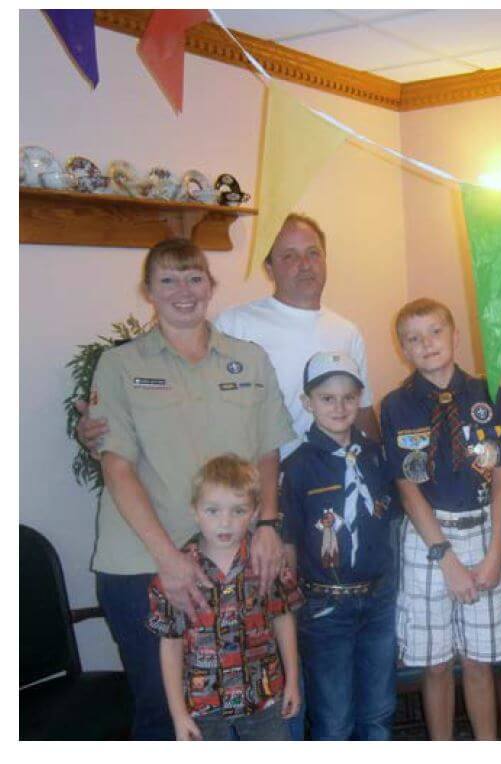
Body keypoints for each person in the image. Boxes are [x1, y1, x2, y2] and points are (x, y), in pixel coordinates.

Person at [88, 239, 296, 739]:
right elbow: (117, 467)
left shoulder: (248, 359)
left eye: (194, 278)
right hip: (143, 564)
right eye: (168, 280)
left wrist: (268, 524)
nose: (184, 291)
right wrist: (169, 558)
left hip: (233, 558)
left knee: (247, 704)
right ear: (148, 291)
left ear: (211, 285)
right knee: (166, 714)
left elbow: (268, 450)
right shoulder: (119, 365)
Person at [77, 213, 378, 453]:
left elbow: (363, 414)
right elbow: (184, 402)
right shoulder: (235, 324)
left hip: (327, 487)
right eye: (289, 256)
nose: (304, 265)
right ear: (269, 268)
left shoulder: (347, 331)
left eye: (313, 253)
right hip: (252, 488)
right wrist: (96, 431)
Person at [380, 298, 501, 740]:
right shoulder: (396, 405)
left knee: (481, 659)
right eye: (413, 339)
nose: (426, 344)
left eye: (435, 332)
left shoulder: (490, 392)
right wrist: (446, 559)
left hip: (483, 530)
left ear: (455, 335)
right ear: (402, 349)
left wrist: (495, 555)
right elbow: (407, 487)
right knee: (436, 662)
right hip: (428, 539)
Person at [280, 351, 398, 739]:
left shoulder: (377, 456)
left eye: (348, 397)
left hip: (378, 602)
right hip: (326, 608)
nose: (339, 406)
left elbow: (389, 516)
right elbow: (291, 539)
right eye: (327, 398)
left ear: (361, 399)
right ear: (307, 403)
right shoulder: (297, 468)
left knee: (379, 711)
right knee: (333, 719)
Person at [148, 454, 303, 741]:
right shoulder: (178, 574)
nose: (225, 522)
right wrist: (178, 713)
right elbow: (170, 646)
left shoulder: (268, 561)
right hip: (203, 705)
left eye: (238, 510)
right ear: (195, 511)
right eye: (213, 511)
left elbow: (283, 618)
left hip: (264, 695)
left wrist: (292, 681)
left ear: (255, 512)